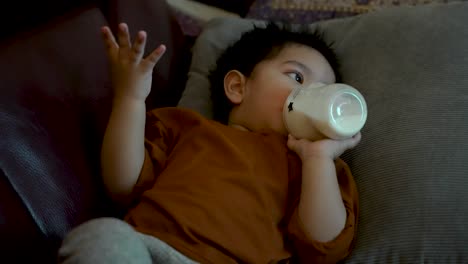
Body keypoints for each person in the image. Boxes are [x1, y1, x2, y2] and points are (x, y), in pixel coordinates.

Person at [58, 22, 361, 264]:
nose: (311, 95)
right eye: (296, 77)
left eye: (324, 90)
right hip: (149, 248)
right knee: (102, 236)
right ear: (238, 87)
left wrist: (318, 159)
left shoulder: (313, 168)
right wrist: (130, 98)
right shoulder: (188, 128)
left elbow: (324, 248)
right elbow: (123, 183)